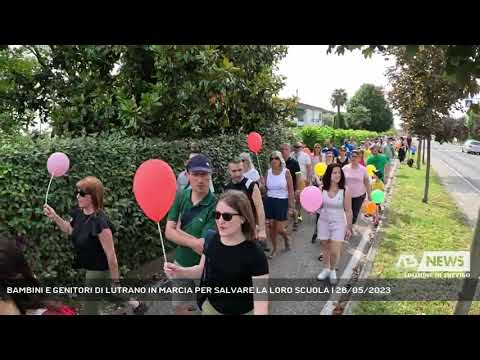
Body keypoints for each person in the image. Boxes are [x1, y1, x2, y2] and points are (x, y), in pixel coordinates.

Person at [43, 176, 147, 315]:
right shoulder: (79, 213)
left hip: (99, 271)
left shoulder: (100, 223)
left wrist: (116, 282)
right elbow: (70, 230)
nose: (77, 196)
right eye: (77, 192)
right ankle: (137, 305)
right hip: (91, 267)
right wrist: (55, 216)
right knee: (109, 294)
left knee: (89, 309)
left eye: (82, 193)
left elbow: (111, 255)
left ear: (93, 197)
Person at [164, 190, 269, 315]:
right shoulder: (211, 239)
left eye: (227, 216)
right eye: (217, 215)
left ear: (242, 218)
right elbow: (202, 270)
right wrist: (180, 272)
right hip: (211, 309)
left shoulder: (255, 254)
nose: (220, 221)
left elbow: (261, 303)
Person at [165, 154, 217, 315]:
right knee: (179, 307)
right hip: (180, 264)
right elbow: (168, 232)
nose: (200, 180)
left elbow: (203, 245)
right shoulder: (181, 196)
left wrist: (178, 231)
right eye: (195, 174)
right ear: (187, 175)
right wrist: (194, 243)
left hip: (205, 269)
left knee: (207, 308)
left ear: (210, 175)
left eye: (204, 174)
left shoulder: (216, 205)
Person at [316, 164, 353, 285]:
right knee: (325, 248)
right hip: (323, 222)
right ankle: (326, 269)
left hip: (339, 224)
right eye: (334, 173)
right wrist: (312, 209)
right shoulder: (322, 189)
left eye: (339, 173)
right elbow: (318, 207)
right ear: (329, 174)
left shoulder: (345, 190)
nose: (337, 175)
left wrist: (349, 227)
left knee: (334, 250)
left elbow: (348, 210)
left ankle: (332, 270)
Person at [224, 157, 268, 251]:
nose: (238, 174)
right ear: (229, 171)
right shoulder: (227, 187)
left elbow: (259, 207)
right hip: (234, 230)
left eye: (240, 170)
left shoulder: (251, 185)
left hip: (250, 230)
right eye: (234, 171)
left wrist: (262, 230)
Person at [264, 151, 295, 259]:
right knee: (272, 226)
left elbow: (291, 190)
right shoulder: (268, 172)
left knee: (279, 228)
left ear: (280, 160)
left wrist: (291, 207)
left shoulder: (286, 172)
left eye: (276, 158)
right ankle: (274, 249)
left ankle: (286, 238)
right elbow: (265, 188)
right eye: (271, 159)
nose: (273, 160)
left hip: (282, 201)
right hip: (270, 201)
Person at [343, 150, 371, 225]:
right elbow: (341, 181)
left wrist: (369, 195)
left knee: (354, 214)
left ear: (359, 158)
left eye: (355, 156)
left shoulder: (363, 169)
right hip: (346, 196)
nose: (353, 158)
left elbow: (367, 182)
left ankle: (350, 227)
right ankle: (347, 229)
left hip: (359, 196)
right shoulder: (345, 168)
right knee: (346, 213)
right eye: (352, 156)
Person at [280, 143, 301, 231]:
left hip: (291, 189)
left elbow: (298, 176)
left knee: (292, 207)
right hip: (282, 189)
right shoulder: (279, 163)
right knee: (283, 207)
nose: (284, 151)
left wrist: (297, 189)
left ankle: (295, 221)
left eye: (286, 149)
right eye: (282, 149)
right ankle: (285, 224)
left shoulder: (294, 162)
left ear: (289, 151)